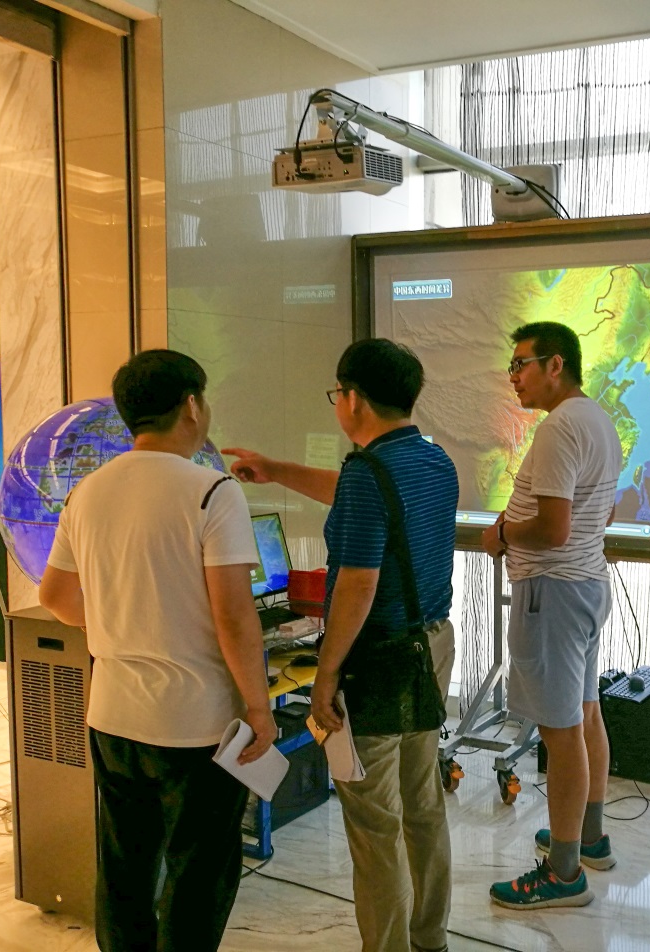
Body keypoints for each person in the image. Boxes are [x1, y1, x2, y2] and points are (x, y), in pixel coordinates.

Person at [225, 338, 459, 952]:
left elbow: (357, 583)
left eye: (337, 394)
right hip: (430, 648)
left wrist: (325, 674)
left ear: (353, 399)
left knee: (375, 822)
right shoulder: (434, 460)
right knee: (422, 803)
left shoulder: (367, 474)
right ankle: (429, 938)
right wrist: (276, 469)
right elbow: (360, 492)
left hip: (375, 662)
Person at [38, 349, 274, 952]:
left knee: (126, 869)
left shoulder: (88, 491)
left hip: (112, 717)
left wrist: (123, 626)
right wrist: (259, 707)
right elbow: (234, 617)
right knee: (198, 871)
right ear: (192, 406)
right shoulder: (212, 491)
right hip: (196, 723)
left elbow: (55, 594)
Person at [481, 321, 621, 909]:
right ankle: (587, 839)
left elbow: (554, 530)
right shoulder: (598, 419)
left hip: (554, 593)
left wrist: (501, 535)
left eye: (521, 364)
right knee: (584, 716)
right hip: (585, 585)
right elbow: (601, 514)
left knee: (562, 734)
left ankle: (564, 874)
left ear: (555, 365)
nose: (513, 377)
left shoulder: (560, 427)